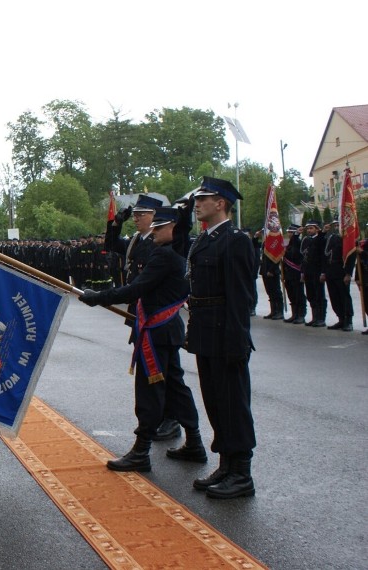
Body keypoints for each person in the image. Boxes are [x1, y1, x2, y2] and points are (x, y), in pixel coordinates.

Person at [80, 207, 205, 472]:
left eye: (159, 227)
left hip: (156, 333)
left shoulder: (163, 255)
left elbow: (137, 288)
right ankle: (194, 441)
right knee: (175, 386)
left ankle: (141, 450)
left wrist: (98, 297)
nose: (154, 231)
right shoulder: (179, 254)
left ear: (173, 228)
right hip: (168, 329)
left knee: (149, 390)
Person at [185, 177, 256, 499]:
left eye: (204, 198)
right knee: (215, 403)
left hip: (226, 337)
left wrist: (238, 341)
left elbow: (242, 298)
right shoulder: (204, 240)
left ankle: (242, 472)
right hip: (206, 336)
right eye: (197, 199)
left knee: (233, 405)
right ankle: (226, 464)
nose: (197, 203)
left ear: (222, 203)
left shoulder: (235, 240)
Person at [105, 194, 180, 441]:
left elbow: (142, 283)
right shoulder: (138, 240)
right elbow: (111, 245)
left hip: (157, 316)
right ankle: (168, 419)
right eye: (134, 215)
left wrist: (102, 297)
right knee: (159, 373)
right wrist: (116, 224)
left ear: (155, 217)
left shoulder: (160, 245)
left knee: (163, 374)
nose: (136, 218)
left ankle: (170, 420)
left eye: (142, 215)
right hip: (142, 313)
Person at [321, 218, 355, 332]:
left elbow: (350, 257)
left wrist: (348, 273)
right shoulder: (331, 238)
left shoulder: (347, 239)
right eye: (335, 225)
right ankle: (340, 319)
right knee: (334, 296)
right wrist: (324, 272)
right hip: (330, 270)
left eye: (338, 225)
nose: (336, 227)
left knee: (344, 296)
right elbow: (324, 255)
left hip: (341, 271)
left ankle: (348, 320)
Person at [301, 220, 327, 327]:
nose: (309, 230)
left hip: (317, 271)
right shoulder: (306, 240)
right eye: (308, 228)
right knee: (310, 294)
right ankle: (314, 317)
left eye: (311, 228)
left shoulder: (321, 239)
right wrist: (302, 272)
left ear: (317, 229)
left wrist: (323, 272)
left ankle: (321, 318)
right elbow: (303, 257)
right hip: (308, 271)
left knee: (319, 295)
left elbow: (323, 258)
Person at [255, 229, 284, 320]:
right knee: (270, 292)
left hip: (272, 271)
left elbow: (277, 257)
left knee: (276, 292)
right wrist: (256, 237)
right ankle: (273, 310)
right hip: (264, 270)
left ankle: (279, 311)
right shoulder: (265, 242)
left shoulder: (274, 242)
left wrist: (271, 270)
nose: (264, 234)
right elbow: (255, 246)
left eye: (265, 233)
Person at [282, 225, 307, 324]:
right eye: (289, 232)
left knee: (299, 295)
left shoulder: (298, 243)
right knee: (291, 294)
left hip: (296, 273)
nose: (289, 234)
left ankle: (301, 315)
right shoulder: (287, 244)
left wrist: (285, 253)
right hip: (288, 274)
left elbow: (295, 255)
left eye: (292, 232)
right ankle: (294, 314)